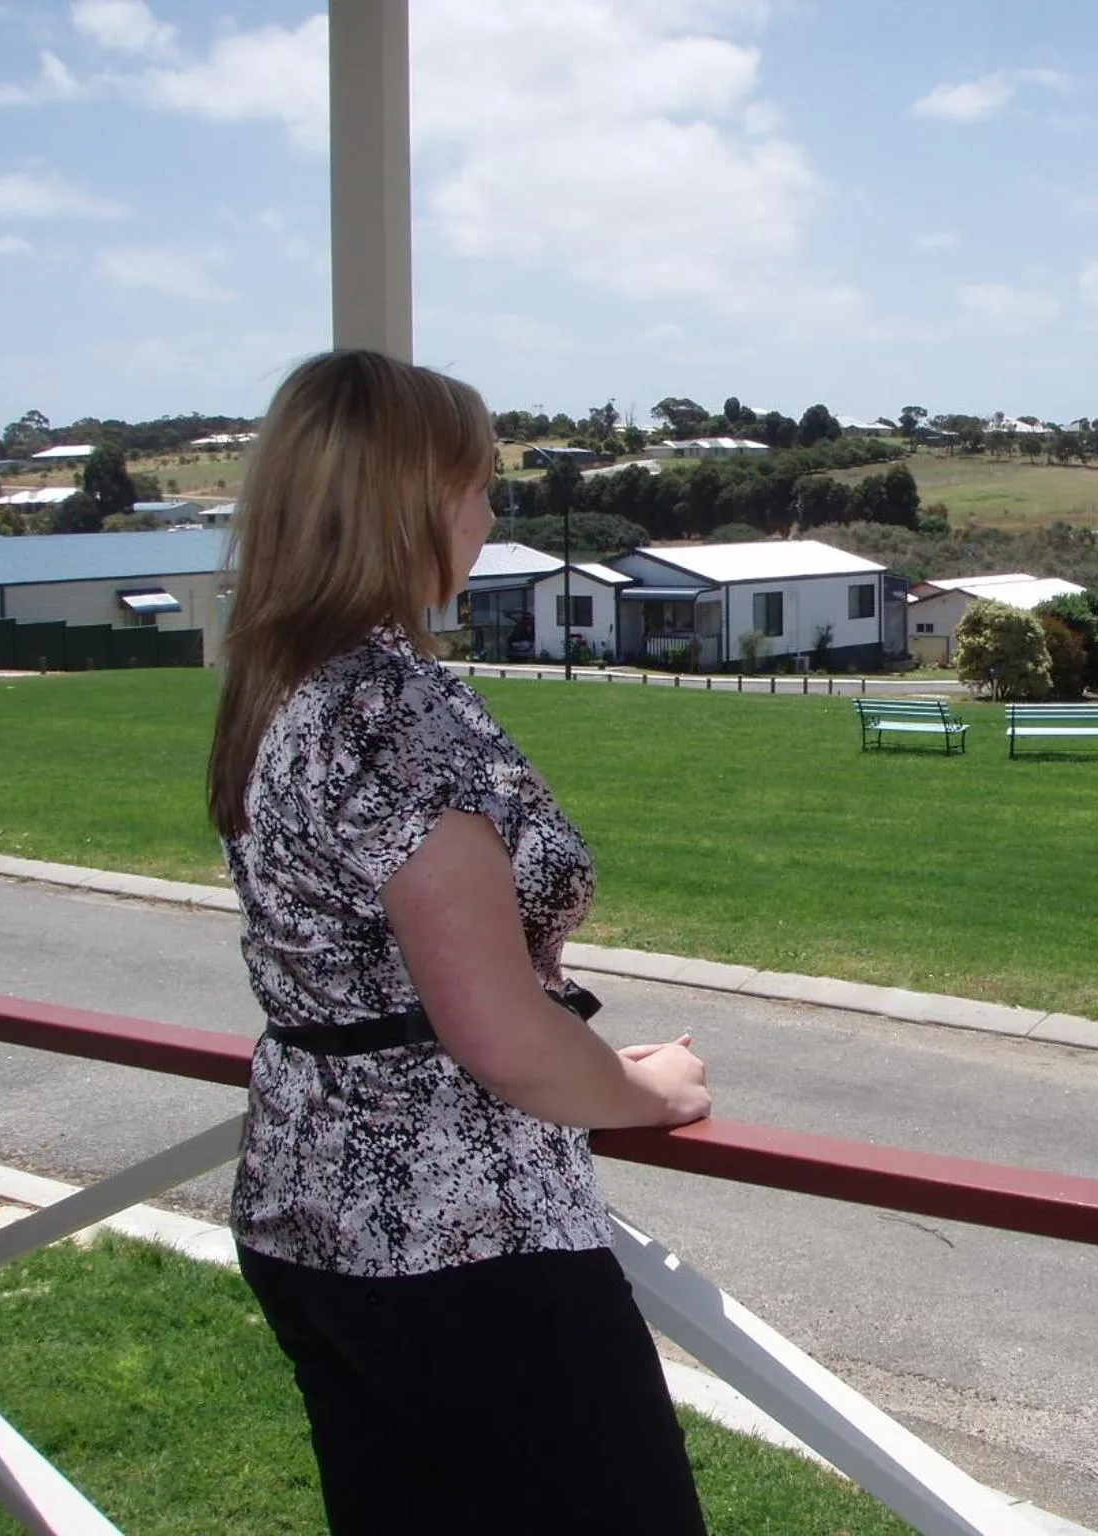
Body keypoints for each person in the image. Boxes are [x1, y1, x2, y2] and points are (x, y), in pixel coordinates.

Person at [206, 349, 711, 1534]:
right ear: (410, 501)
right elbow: (490, 1032)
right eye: (479, 485)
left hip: (305, 1208)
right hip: (459, 1238)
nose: (489, 514)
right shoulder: (391, 711)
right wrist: (644, 1091)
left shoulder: (278, 682)